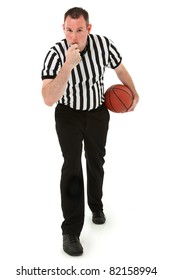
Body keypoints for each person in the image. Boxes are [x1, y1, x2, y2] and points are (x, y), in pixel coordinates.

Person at [41, 7, 139, 256]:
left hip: (97, 112)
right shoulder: (54, 54)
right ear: (63, 29)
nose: (74, 36)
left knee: (96, 161)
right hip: (68, 115)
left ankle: (96, 205)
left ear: (89, 29)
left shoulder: (103, 45)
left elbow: (119, 69)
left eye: (79, 30)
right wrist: (68, 65)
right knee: (72, 166)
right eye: (69, 30)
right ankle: (71, 231)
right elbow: (48, 98)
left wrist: (133, 92)